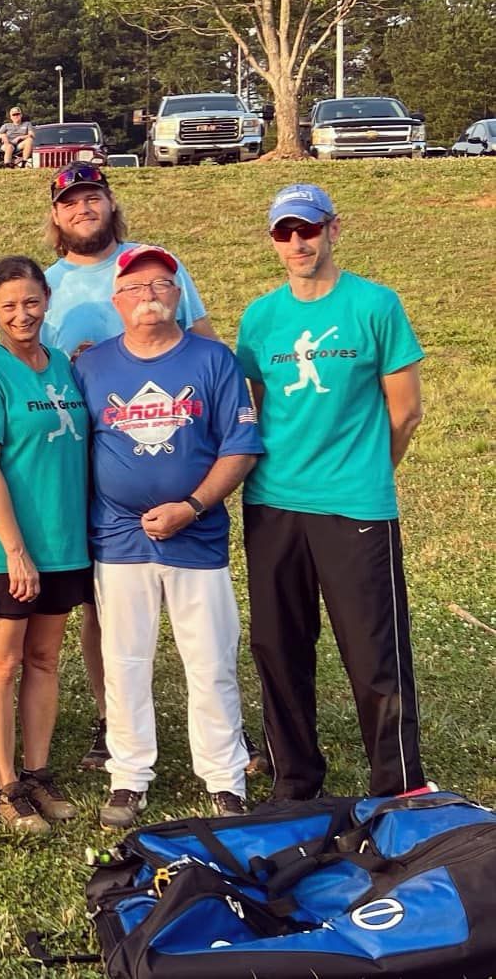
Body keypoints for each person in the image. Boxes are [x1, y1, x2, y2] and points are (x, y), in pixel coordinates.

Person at [237, 184, 426, 800]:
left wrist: (370, 468)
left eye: (308, 229)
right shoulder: (261, 317)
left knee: (374, 650)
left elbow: (405, 412)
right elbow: (254, 412)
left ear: (332, 231)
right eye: (284, 232)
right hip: (274, 502)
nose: (297, 242)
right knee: (278, 645)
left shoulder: (376, 305)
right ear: (273, 240)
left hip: (354, 502)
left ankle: (396, 783)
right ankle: (295, 780)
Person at [38, 161, 223, 774]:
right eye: (70, 202)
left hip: (165, 437)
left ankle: (217, 746)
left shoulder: (154, 264)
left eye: (92, 197)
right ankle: (109, 719)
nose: (82, 208)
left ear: (110, 203)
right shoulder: (50, 281)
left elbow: (206, 343)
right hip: (82, 448)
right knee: (102, 602)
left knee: (194, 625)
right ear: (57, 217)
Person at [71, 245, 263, 829]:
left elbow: (241, 447)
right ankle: (129, 775)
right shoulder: (92, 366)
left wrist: (193, 505)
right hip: (119, 537)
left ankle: (225, 777)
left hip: (195, 536)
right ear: (118, 301)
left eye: (161, 284)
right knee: (124, 660)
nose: (148, 294)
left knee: (209, 661)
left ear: (178, 295)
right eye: (135, 286)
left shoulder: (212, 360)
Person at [0, 256, 89, 834]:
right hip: (3, 549)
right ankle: (6, 783)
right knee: (3, 663)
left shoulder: (61, 363)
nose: (21, 314)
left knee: (43, 660)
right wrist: (15, 550)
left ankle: (38, 771)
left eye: (31, 302)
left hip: (63, 542)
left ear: (47, 301)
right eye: (8, 305)